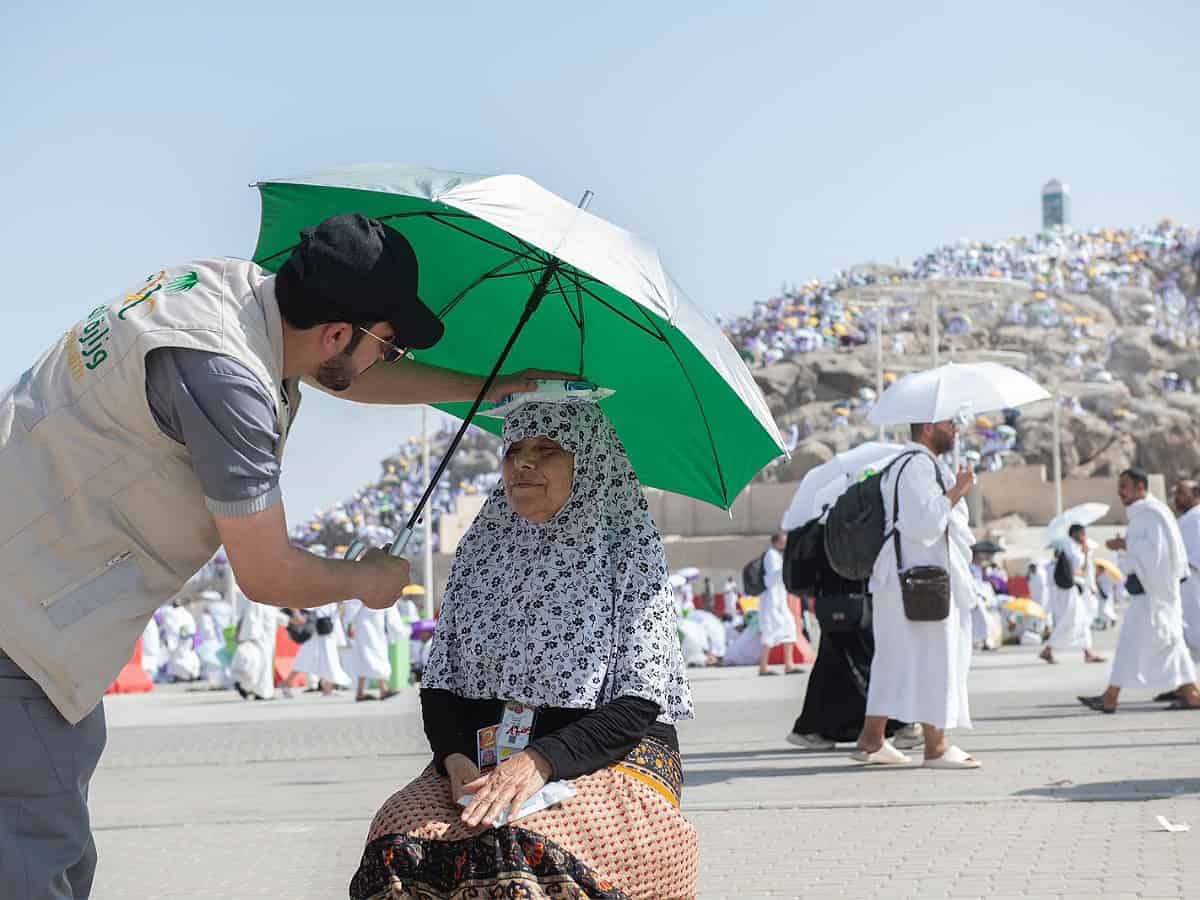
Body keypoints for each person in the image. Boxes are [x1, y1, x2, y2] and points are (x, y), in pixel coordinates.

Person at [0, 212, 553, 898]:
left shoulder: (226, 295)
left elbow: (345, 374)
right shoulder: (226, 382)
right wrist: (366, 580)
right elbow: (267, 574)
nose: (391, 358)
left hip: (37, 597)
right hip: (22, 625)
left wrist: (487, 389)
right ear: (337, 332)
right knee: (32, 863)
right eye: (389, 343)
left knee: (48, 842)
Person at [349, 400, 698, 899]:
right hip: (484, 757)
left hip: (611, 753)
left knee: (518, 849)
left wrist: (538, 763)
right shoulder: (482, 548)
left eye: (547, 449)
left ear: (590, 460)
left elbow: (638, 703)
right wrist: (454, 760)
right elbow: (443, 681)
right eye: (513, 450)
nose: (523, 463)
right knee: (397, 839)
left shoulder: (629, 548)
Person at [853, 419, 981, 769]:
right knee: (933, 657)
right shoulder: (917, 467)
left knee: (897, 659)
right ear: (927, 427)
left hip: (906, 578)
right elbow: (923, 525)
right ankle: (936, 746)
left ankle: (871, 739)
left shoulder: (910, 465)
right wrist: (959, 489)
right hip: (919, 579)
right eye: (948, 423)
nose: (955, 429)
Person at [1079, 469, 1200, 713]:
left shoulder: (1150, 514)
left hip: (1152, 593)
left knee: (1156, 643)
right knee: (1156, 644)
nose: (1120, 492)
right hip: (1148, 593)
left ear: (1141, 487)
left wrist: (1124, 544)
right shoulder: (1144, 514)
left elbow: (1156, 554)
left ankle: (1111, 697)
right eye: (1119, 487)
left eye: (1125, 486)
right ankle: (1190, 693)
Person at [787, 528, 918, 751]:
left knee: (835, 664)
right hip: (854, 595)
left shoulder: (818, 503)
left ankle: (811, 729)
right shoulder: (850, 501)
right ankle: (901, 725)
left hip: (836, 596)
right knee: (872, 659)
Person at [1041, 525, 1106, 665]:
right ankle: (1048, 649)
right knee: (1070, 619)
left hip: (1077, 590)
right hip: (1069, 589)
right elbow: (1078, 569)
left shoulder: (1076, 547)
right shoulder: (1070, 546)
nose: (1084, 535)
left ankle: (1088, 653)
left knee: (1082, 620)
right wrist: (1085, 553)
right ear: (1075, 533)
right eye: (1082, 533)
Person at [343, 597, 406, 701]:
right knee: (368, 655)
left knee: (370, 656)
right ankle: (382, 688)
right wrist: (350, 625)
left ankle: (361, 691)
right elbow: (354, 603)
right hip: (364, 622)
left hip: (377, 621)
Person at [758, 533, 802, 676]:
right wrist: (788, 564)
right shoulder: (771, 555)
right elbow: (772, 577)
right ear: (777, 542)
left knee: (789, 629)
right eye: (784, 541)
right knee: (769, 633)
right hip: (771, 602)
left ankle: (789, 665)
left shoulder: (778, 555)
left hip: (780, 602)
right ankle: (763, 667)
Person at [293, 600, 353, 696]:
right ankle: (326, 689)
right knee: (325, 657)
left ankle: (327, 689)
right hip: (320, 625)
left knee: (326, 658)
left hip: (326, 624)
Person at [1174, 480, 1200, 663]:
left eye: (1182, 493)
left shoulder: (1196, 518)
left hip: (1192, 582)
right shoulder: (1189, 518)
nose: (1177, 498)